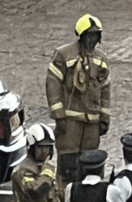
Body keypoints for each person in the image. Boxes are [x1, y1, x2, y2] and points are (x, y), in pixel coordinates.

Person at [46, 13, 111, 185]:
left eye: (95, 36)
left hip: (92, 124)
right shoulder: (63, 55)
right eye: (89, 36)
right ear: (81, 36)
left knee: (90, 167)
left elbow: (105, 90)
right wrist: (58, 116)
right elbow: (53, 85)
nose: (92, 40)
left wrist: (104, 118)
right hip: (70, 122)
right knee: (68, 166)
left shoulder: (101, 59)